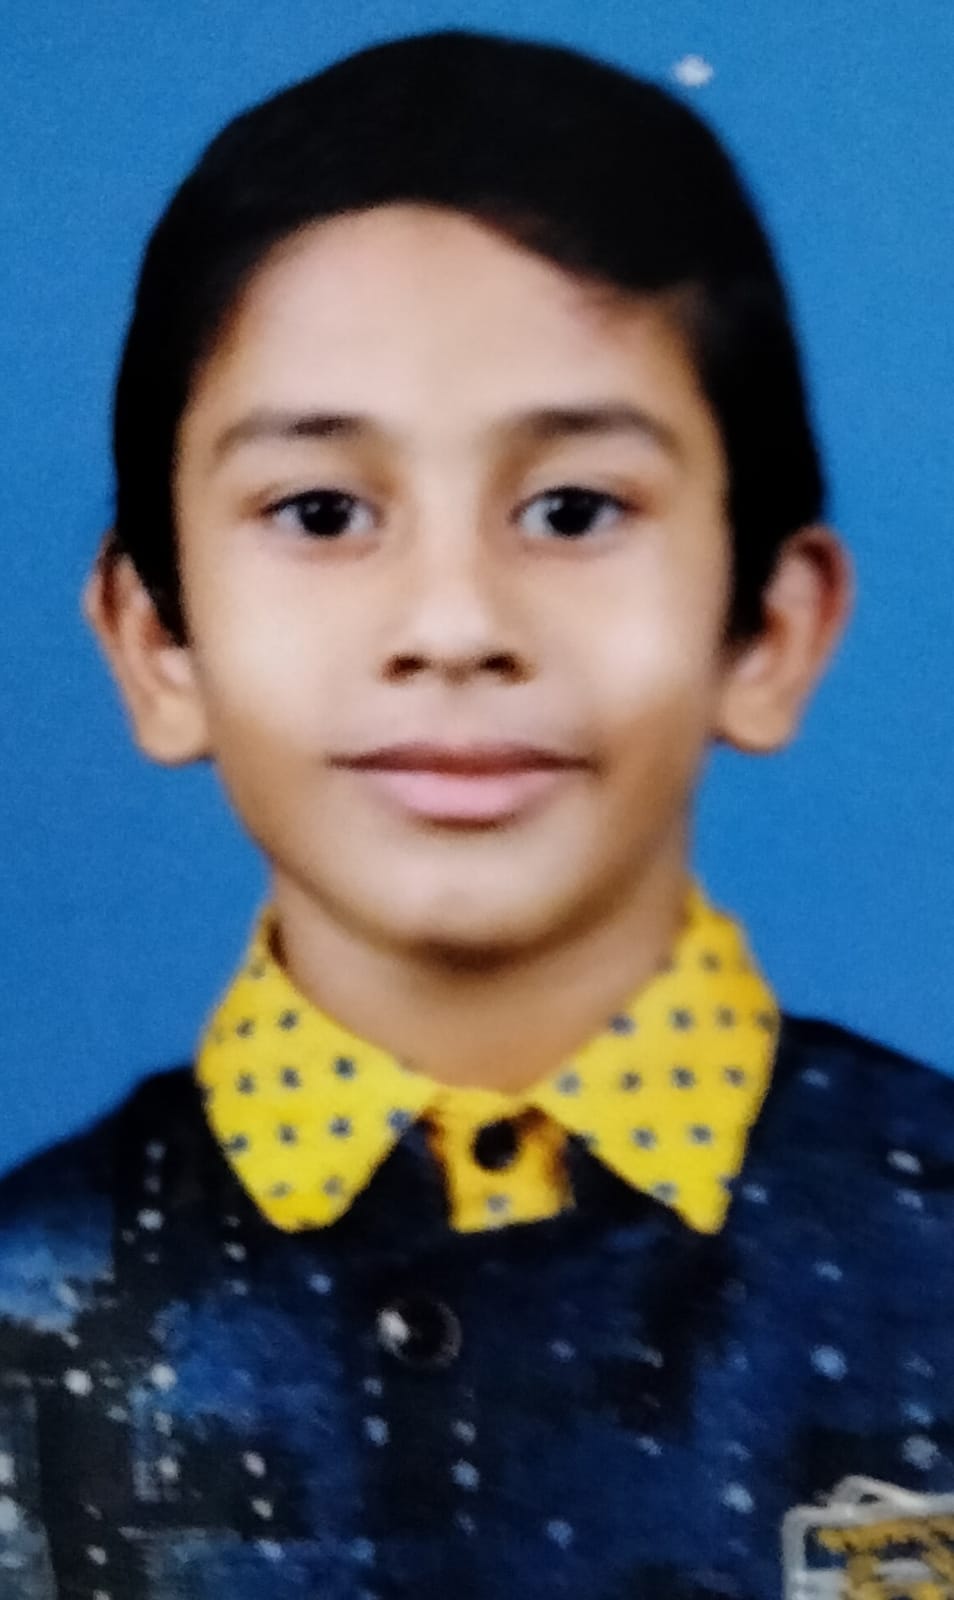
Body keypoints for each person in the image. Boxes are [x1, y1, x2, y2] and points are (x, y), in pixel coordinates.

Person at [1, 27, 952, 1600]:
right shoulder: (28, 1311)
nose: (452, 623)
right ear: (158, 640)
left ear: (768, 631)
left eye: (572, 509)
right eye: (321, 512)